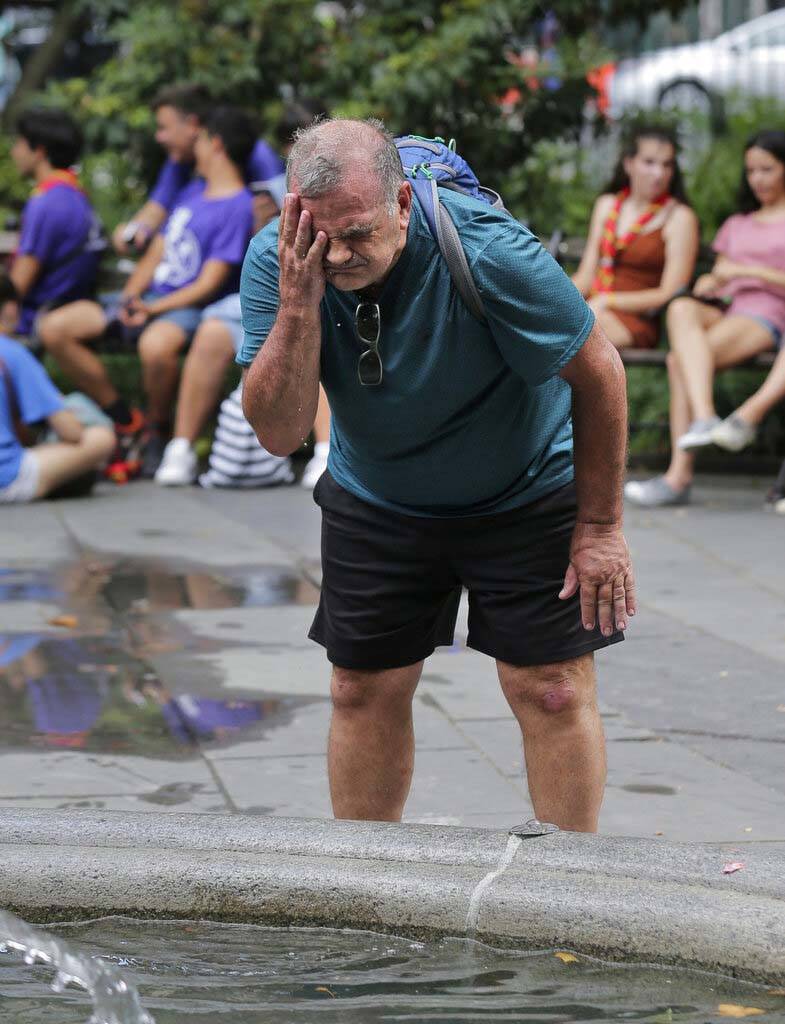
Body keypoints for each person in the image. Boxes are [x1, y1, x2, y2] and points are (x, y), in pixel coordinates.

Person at [239, 118, 635, 831]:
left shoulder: (485, 250)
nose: (337, 255)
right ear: (296, 212)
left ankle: (574, 892)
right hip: (378, 494)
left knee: (549, 689)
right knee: (360, 689)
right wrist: (298, 305)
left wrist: (600, 526)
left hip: (524, 485)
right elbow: (278, 432)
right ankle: (368, 884)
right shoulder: (282, 260)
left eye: (357, 233)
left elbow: (600, 373)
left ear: (401, 205)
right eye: (320, 234)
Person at [38, 106, 255, 477]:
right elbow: (158, 250)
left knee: (155, 346)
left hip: (185, 307)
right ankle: (125, 418)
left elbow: (209, 282)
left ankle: (156, 429)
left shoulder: (239, 204)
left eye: (200, 139)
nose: (194, 147)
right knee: (56, 327)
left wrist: (152, 310)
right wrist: (132, 297)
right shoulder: (191, 192)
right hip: (145, 300)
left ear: (215, 144)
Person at [154, 98, 329, 487]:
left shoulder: (345, 179)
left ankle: (325, 452)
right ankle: (181, 447)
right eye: (290, 145)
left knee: (312, 333)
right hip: (268, 292)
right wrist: (264, 226)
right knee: (214, 329)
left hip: (321, 295)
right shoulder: (270, 183)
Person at [626, 129, 785, 507]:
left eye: (767, 169)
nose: (757, 179)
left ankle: (677, 478)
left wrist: (751, 271)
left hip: (769, 311)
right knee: (682, 307)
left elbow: (750, 274)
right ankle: (706, 416)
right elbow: (719, 277)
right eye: (751, 171)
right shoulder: (738, 224)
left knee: (678, 359)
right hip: (729, 307)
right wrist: (711, 281)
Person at [112, 83, 285, 254]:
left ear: (192, 124)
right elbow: (157, 206)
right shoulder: (179, 160)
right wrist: (134, 230)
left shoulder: (258, 156)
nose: (158, 137)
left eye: (163, 128)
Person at [572, 125, 699, 350]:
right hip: (593, 307)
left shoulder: (679, 217)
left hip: (635, 319)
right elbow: (586, 276)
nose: (659, 173)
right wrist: (550, 299)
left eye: (667, 165)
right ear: (629, 164)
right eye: (649, 162)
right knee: (544, 325)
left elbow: (669, 293)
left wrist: (606, 301)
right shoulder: (607, 204)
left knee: (575, 335)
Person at [0, 276, 115, 504]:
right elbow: (71, 432)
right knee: (100, 438)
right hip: (7, 479)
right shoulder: (11, 353)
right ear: (11, 308)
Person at [8, 107, 103, 340]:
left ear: (39, 151)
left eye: (19, 143)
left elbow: (18, 285)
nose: (14, 152)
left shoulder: (46, 203)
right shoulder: (75, 195)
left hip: (37, 316)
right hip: (70, 304)